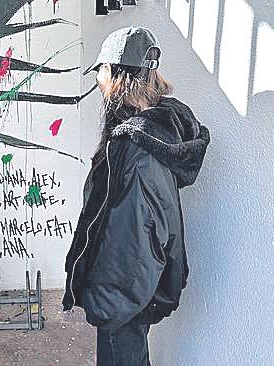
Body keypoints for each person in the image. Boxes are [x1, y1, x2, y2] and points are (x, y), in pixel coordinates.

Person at [63, 26, 211, 365]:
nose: (98, 80)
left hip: (124, 297)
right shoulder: (154, 131)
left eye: (101, 71)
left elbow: (133, 236)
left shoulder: (136, 148)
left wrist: (108, 304)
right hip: (134, 293)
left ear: (118, 76)